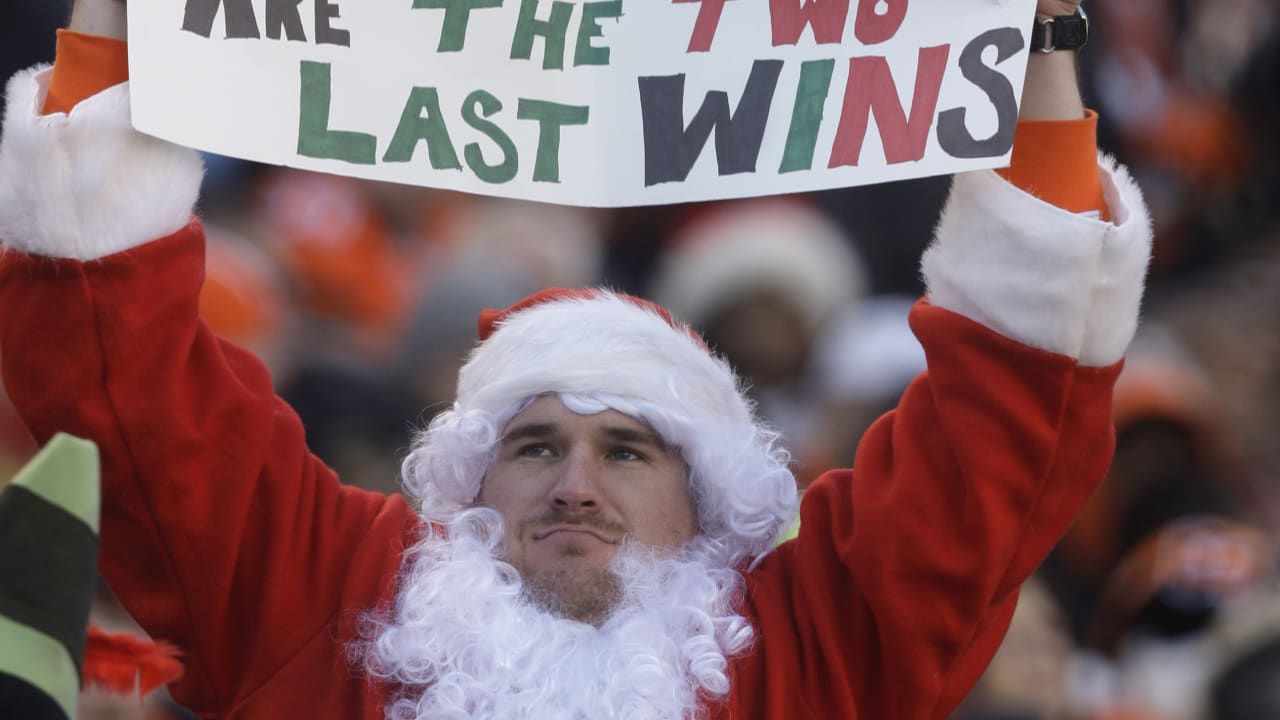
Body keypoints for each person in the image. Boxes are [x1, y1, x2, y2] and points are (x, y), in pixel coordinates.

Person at [0, 0, 1153, 717]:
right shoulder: (331, 605)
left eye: (627, 450)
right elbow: (123, 373)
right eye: (533, 444)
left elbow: (1010, 412)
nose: (573, 484)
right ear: (464, 491)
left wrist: (1038, 39)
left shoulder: (809, 660)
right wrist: (117, 20)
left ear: (704, 506)